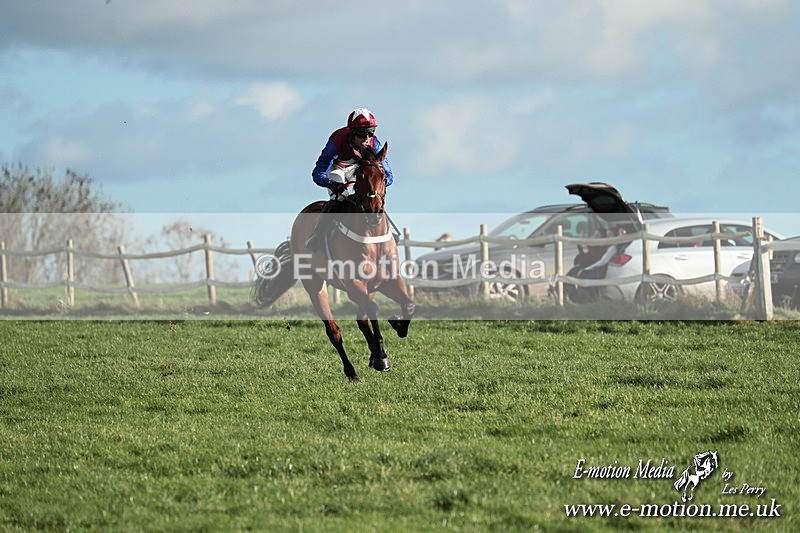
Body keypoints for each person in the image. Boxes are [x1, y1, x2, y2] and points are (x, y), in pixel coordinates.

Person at [305, 108, 394, 251]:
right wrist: (331, 184)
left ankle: (388, 233)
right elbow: (318, 172)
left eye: (370, 132)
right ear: (352, 133)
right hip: (339, 170)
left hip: (362, 172)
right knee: (340, 197)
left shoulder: (375, 144)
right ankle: (318, 234)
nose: (366, 138)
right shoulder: (337, 140)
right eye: (361, 133)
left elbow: (389, 177)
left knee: (372, 197)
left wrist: (376, 186)